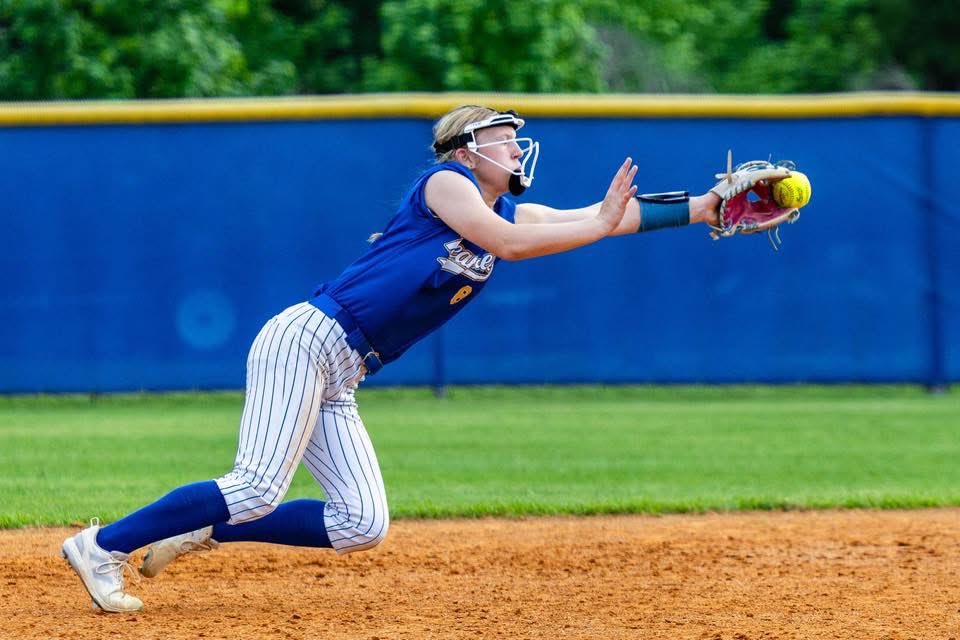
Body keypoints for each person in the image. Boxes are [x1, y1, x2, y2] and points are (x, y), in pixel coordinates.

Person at [62, 105, 722, 612]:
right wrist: (600, 224)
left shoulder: (509, 208)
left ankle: (202, 530)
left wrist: (704, 208)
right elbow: (515, 244)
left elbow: (602, 215)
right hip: (310, 338)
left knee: (361, 523)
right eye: (504, 136)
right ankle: (101, 546)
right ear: (468, 148)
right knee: (258, 486)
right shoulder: (446, 184)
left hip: (345, 367)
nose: (517, 146)